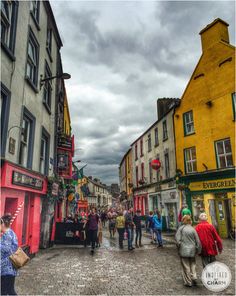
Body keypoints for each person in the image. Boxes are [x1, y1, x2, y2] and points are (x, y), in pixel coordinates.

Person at [175, 215, 202, 287]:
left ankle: (188, 282)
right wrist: (198, 250)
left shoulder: (181, 229)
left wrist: (179, 247)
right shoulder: (193, 229)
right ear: (190, 221)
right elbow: (198, 241)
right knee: (193, 264)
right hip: (192, 250)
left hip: (183, 250)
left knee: (186, 266)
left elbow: (177, 240)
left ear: (183, 220)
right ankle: (194, 277)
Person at [0, 215, 18, 295]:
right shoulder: (11, 232)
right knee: (7, 291)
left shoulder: (7, 235)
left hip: (6, 268)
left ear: (2, 224)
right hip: (10, 268)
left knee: (7, 291)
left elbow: (7, 249)